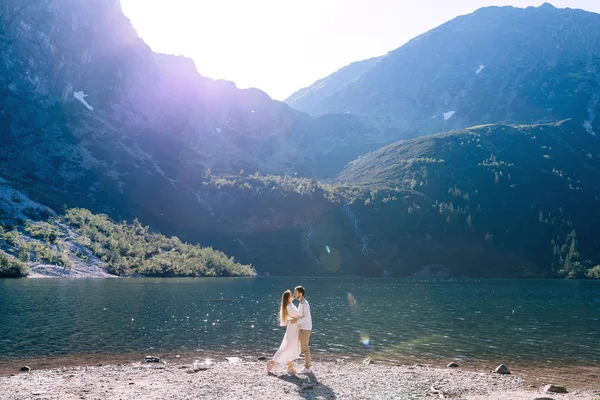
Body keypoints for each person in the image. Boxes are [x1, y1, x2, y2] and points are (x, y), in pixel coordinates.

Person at [266, 290, 302, 374]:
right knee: (287, 346)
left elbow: (297, 316)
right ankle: (272, 362)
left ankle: (290, 367)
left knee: (290, 346)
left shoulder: (290, 305)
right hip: (293, 328)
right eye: (291, 294)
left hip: (294, 327)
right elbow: (299, 315)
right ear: (288, 297)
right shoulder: (288, 306)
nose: (293, 295)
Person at [294, 285, 312, 374]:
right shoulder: (300, 303)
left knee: (305, 348)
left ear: (300, 294)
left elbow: (306, 318)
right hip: (302, 328)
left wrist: (295, 321)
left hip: (305, 329)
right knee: (303, 347)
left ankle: (307, 368)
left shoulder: (305, 304)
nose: (294, 294)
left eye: (296, 293)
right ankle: (307, 367)